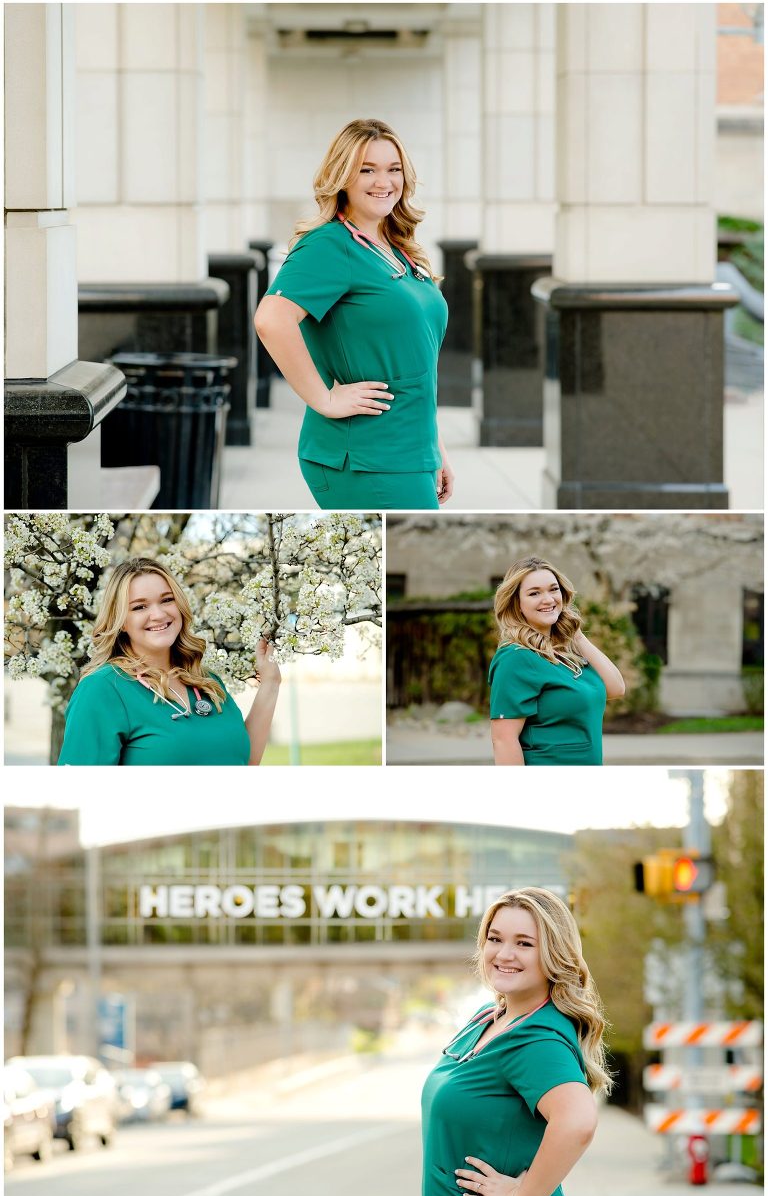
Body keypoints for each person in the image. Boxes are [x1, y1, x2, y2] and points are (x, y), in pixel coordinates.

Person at [254, 118, 454, 511]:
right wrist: (324, 398)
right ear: (342, 176)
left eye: (393, 169)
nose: (384, 181)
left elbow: (418, 362)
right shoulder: (328, 244)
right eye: (367, 169)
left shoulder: (396, 246)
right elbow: (271, 319)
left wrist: (435, 447)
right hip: (365, 456)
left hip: (409, 449)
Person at [417, 887, 612, 1196]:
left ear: (553, 955)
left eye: (524, 943)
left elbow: (577, 1121)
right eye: (495, 938)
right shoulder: (487, 1019)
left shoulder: (536, 1039)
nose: (504, 954)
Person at [57, 558, 280, 766]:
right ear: (121, 621)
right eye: (139, 607)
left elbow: (242, 762)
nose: (158, 614)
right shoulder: (103, 689)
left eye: (166, 600)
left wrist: (270, 682)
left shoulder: (208, 682)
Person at [488, 556, 625, 766]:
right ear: (517, 603)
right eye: (534, 593)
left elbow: (616, 688)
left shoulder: (567, 652)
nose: (549, 599)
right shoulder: (515, 657)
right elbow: (504, 741)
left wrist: (576, 634)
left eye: (553, 589)